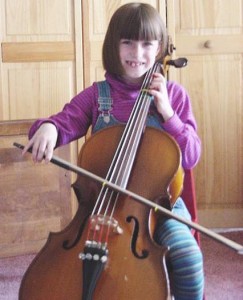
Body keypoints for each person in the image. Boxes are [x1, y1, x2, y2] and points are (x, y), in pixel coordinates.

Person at [23, 3, 204, 299]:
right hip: (102, 205)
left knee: (188, 257)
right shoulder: (97, 96)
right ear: (114, 45)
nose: (137, 53)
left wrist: (169, 115)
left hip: (162, 206)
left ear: (159, 48)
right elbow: (65, 121)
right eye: (128, 42)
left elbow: (192, 155)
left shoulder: (174, 97)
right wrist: (48, 129)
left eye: (147, 43)